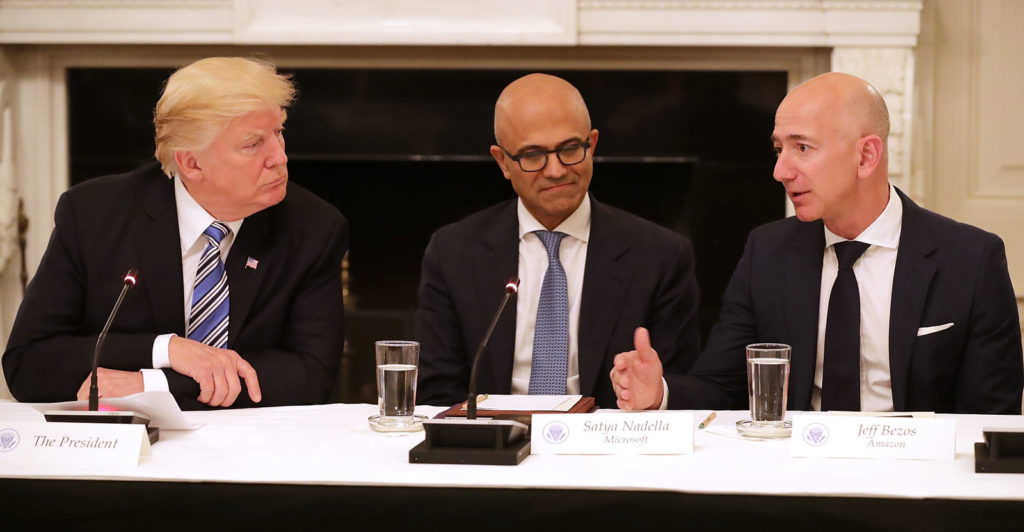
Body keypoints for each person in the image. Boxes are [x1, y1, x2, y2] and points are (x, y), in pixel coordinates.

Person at [611, 72, 1023, 414]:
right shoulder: (767, 252)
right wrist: (661, 393)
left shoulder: (970, 259)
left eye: (802, 148)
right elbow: (723, 385)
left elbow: (992, 414)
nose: (780, 171)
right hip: (798, 477)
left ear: (866, 157)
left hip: (919, 482)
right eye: (778, 149)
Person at [3, 57, 349, 410]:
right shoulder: (94, 214)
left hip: (251, 449)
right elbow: (28, 364)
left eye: (278, 133)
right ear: (192, 163)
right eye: (252, 144)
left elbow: (310, 377)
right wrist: (166, 348)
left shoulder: (313, 228)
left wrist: (154, 383)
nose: (279, 157)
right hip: (120, 449)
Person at [416, 73, 700, 408]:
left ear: (591, 144)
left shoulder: (660, 256)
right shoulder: (454, 252)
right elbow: (438, 392)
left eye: (569, 149)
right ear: (503, 162)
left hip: (609, 444)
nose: (556, 170)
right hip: (493, 446)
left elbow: (680, 389)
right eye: (533, 155)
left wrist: (653, 397)